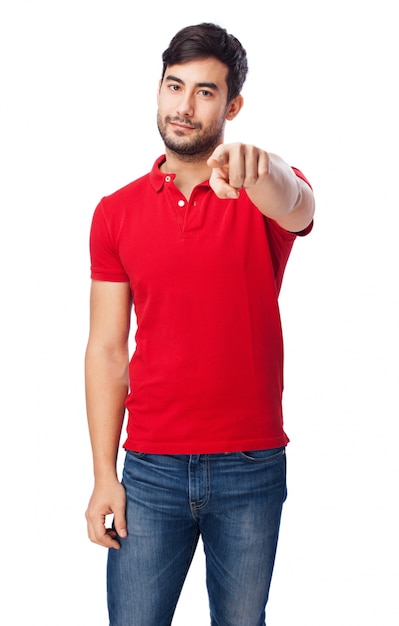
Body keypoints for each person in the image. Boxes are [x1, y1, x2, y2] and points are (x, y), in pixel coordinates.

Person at [85, 22, 315, 626]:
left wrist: (261, 168)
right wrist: (104, 475)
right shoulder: (115, 213)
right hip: (150, 471)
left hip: (251, 466)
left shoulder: (260, 193)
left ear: (232, 105)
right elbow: (107, 350)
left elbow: (300, 204)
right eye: (174, 86)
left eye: (206, 92)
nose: (184, 107)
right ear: (158, 90)